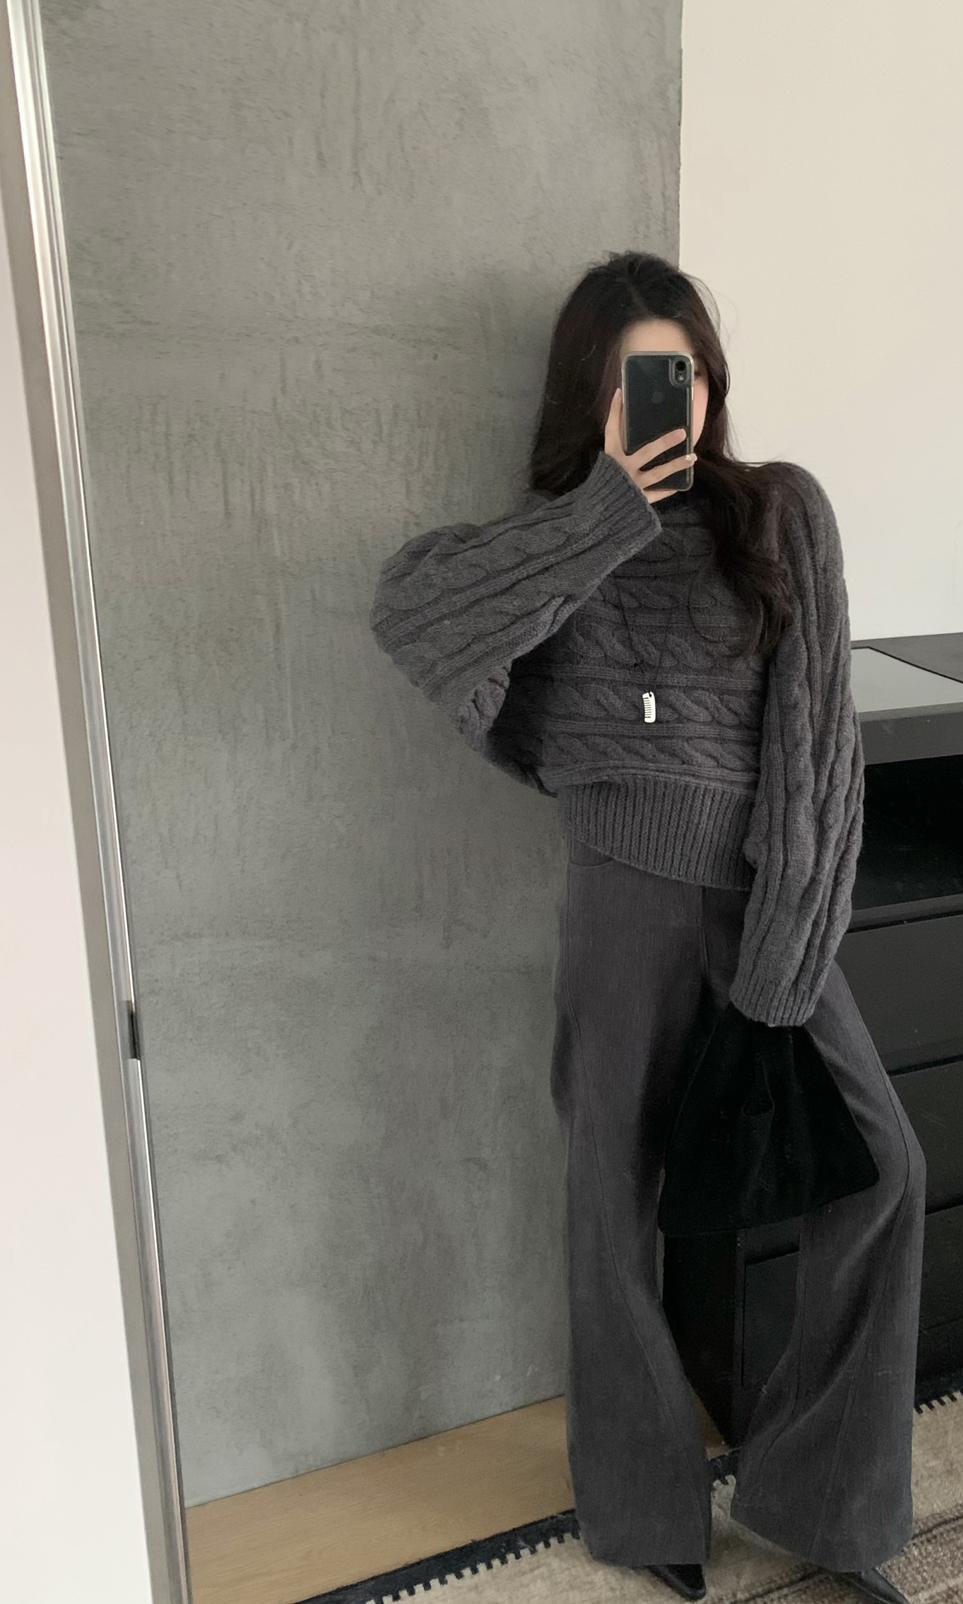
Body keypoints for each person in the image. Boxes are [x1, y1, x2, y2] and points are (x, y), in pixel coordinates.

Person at [369, 251, 925, 1604]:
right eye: (638, 381)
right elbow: (414, 618)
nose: (675, 403)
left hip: (768, 899)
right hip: (618, 897)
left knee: (883, 1173)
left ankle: (822, 1502)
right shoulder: (553, 541)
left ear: (713, 382)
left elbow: (818, 746)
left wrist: (783, 963)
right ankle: (641, 1509)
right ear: (592, 395)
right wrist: (607, 507)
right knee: (608, 1207)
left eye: (686, 375)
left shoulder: (780, 512)